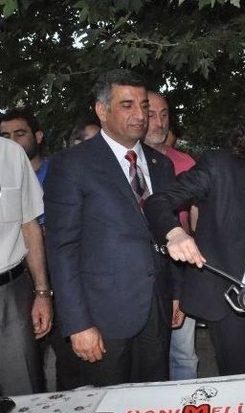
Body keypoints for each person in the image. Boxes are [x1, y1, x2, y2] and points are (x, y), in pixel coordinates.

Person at [44, 69, 182, 390]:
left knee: (152, 401)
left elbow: (167, 231)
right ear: (102, 110)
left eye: (143, 105)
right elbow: (62, 249)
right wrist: (78, 323)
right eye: (127, 105)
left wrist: (175, 292)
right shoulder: (72, 165)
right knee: (108, 405)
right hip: (103, 317)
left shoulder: (162, 166)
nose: (139, 115)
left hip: (156, 308)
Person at [144, 90, 245, 375]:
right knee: (242, 376)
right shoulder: (220, 165)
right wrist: (175, 233)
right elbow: (157, 202)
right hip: (232, 295)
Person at [143, 91, 199, 381]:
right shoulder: (127, 164)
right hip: (141, 274)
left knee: (183, 352)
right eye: (151, 114)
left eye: (164, 114)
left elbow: (197, 215)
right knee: (149, 357)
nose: (159, 122)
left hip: (179, 269)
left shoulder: (185, 162)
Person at [0, 136, 53, 396]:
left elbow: (30, 225)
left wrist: (42, 292)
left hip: (12, 293)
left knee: (24, 392)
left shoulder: (11, 154)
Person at [1, 108, 50, 226]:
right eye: (6, 136)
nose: (12, 142)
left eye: (20, 134)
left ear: (38, 137)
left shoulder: (60, 173)